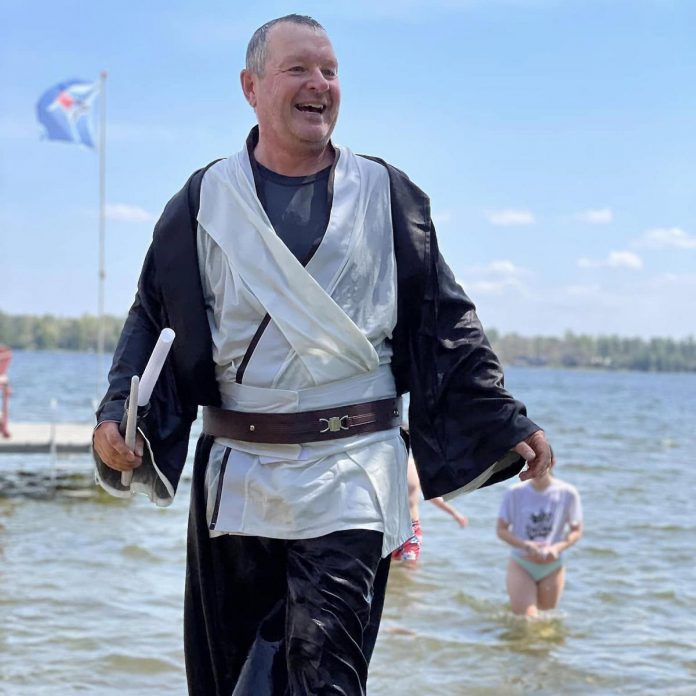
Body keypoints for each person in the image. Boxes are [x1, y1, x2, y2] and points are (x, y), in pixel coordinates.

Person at [92, 14, 553, 695]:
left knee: (326, 677)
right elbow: (153, 321)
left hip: (352, 470)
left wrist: (505, 418)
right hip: (238, 475)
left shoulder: (388, 195)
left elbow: (443, 319)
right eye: (299, 70)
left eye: (330, 72)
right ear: (251, 87)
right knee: (237, 680)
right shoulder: (201, 201)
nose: (320, 85)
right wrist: (113, 420)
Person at [496, 457, 583, 618]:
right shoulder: (514, 492)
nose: (536, 469)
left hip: (553, 566)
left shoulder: (567, 493)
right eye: (531, 465)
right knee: (529, 619)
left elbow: (576, 530)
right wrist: (526, 545)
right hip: (522, 563)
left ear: (553, 463)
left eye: (541, 463)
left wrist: (556, 548)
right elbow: (501, 530)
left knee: (546, 620)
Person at [392, 453, 468, 563]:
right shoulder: (383, 466)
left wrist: (455, 513)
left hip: (411, 530)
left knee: (409, 568)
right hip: (389, 529)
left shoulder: (415, 464)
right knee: (388, 573)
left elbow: (432, 495)